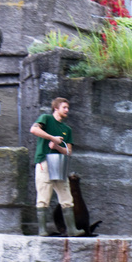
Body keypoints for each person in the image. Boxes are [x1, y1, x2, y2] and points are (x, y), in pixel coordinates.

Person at [30, 97, 84, 237]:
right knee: (43, 195)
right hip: (45, 162)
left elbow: (69, 151)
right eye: (64, 107)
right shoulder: (46, 118)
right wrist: (52, 138)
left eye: (68, 108)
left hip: (60, 163)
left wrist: (57, 146)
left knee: (66, 195)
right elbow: (34, 130)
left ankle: (72, 229)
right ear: (56, 108)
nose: (67, 110)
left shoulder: (67, 129)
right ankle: (42, 230)